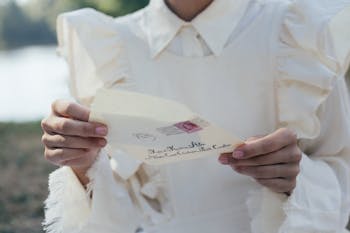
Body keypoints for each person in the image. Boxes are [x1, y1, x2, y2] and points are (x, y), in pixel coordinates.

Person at [40, 0, 350, 232]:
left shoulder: (299, 32)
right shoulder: (110, 45)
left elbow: (341, 165)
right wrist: (84, 163)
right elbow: (124, 211)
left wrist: (297, 178)